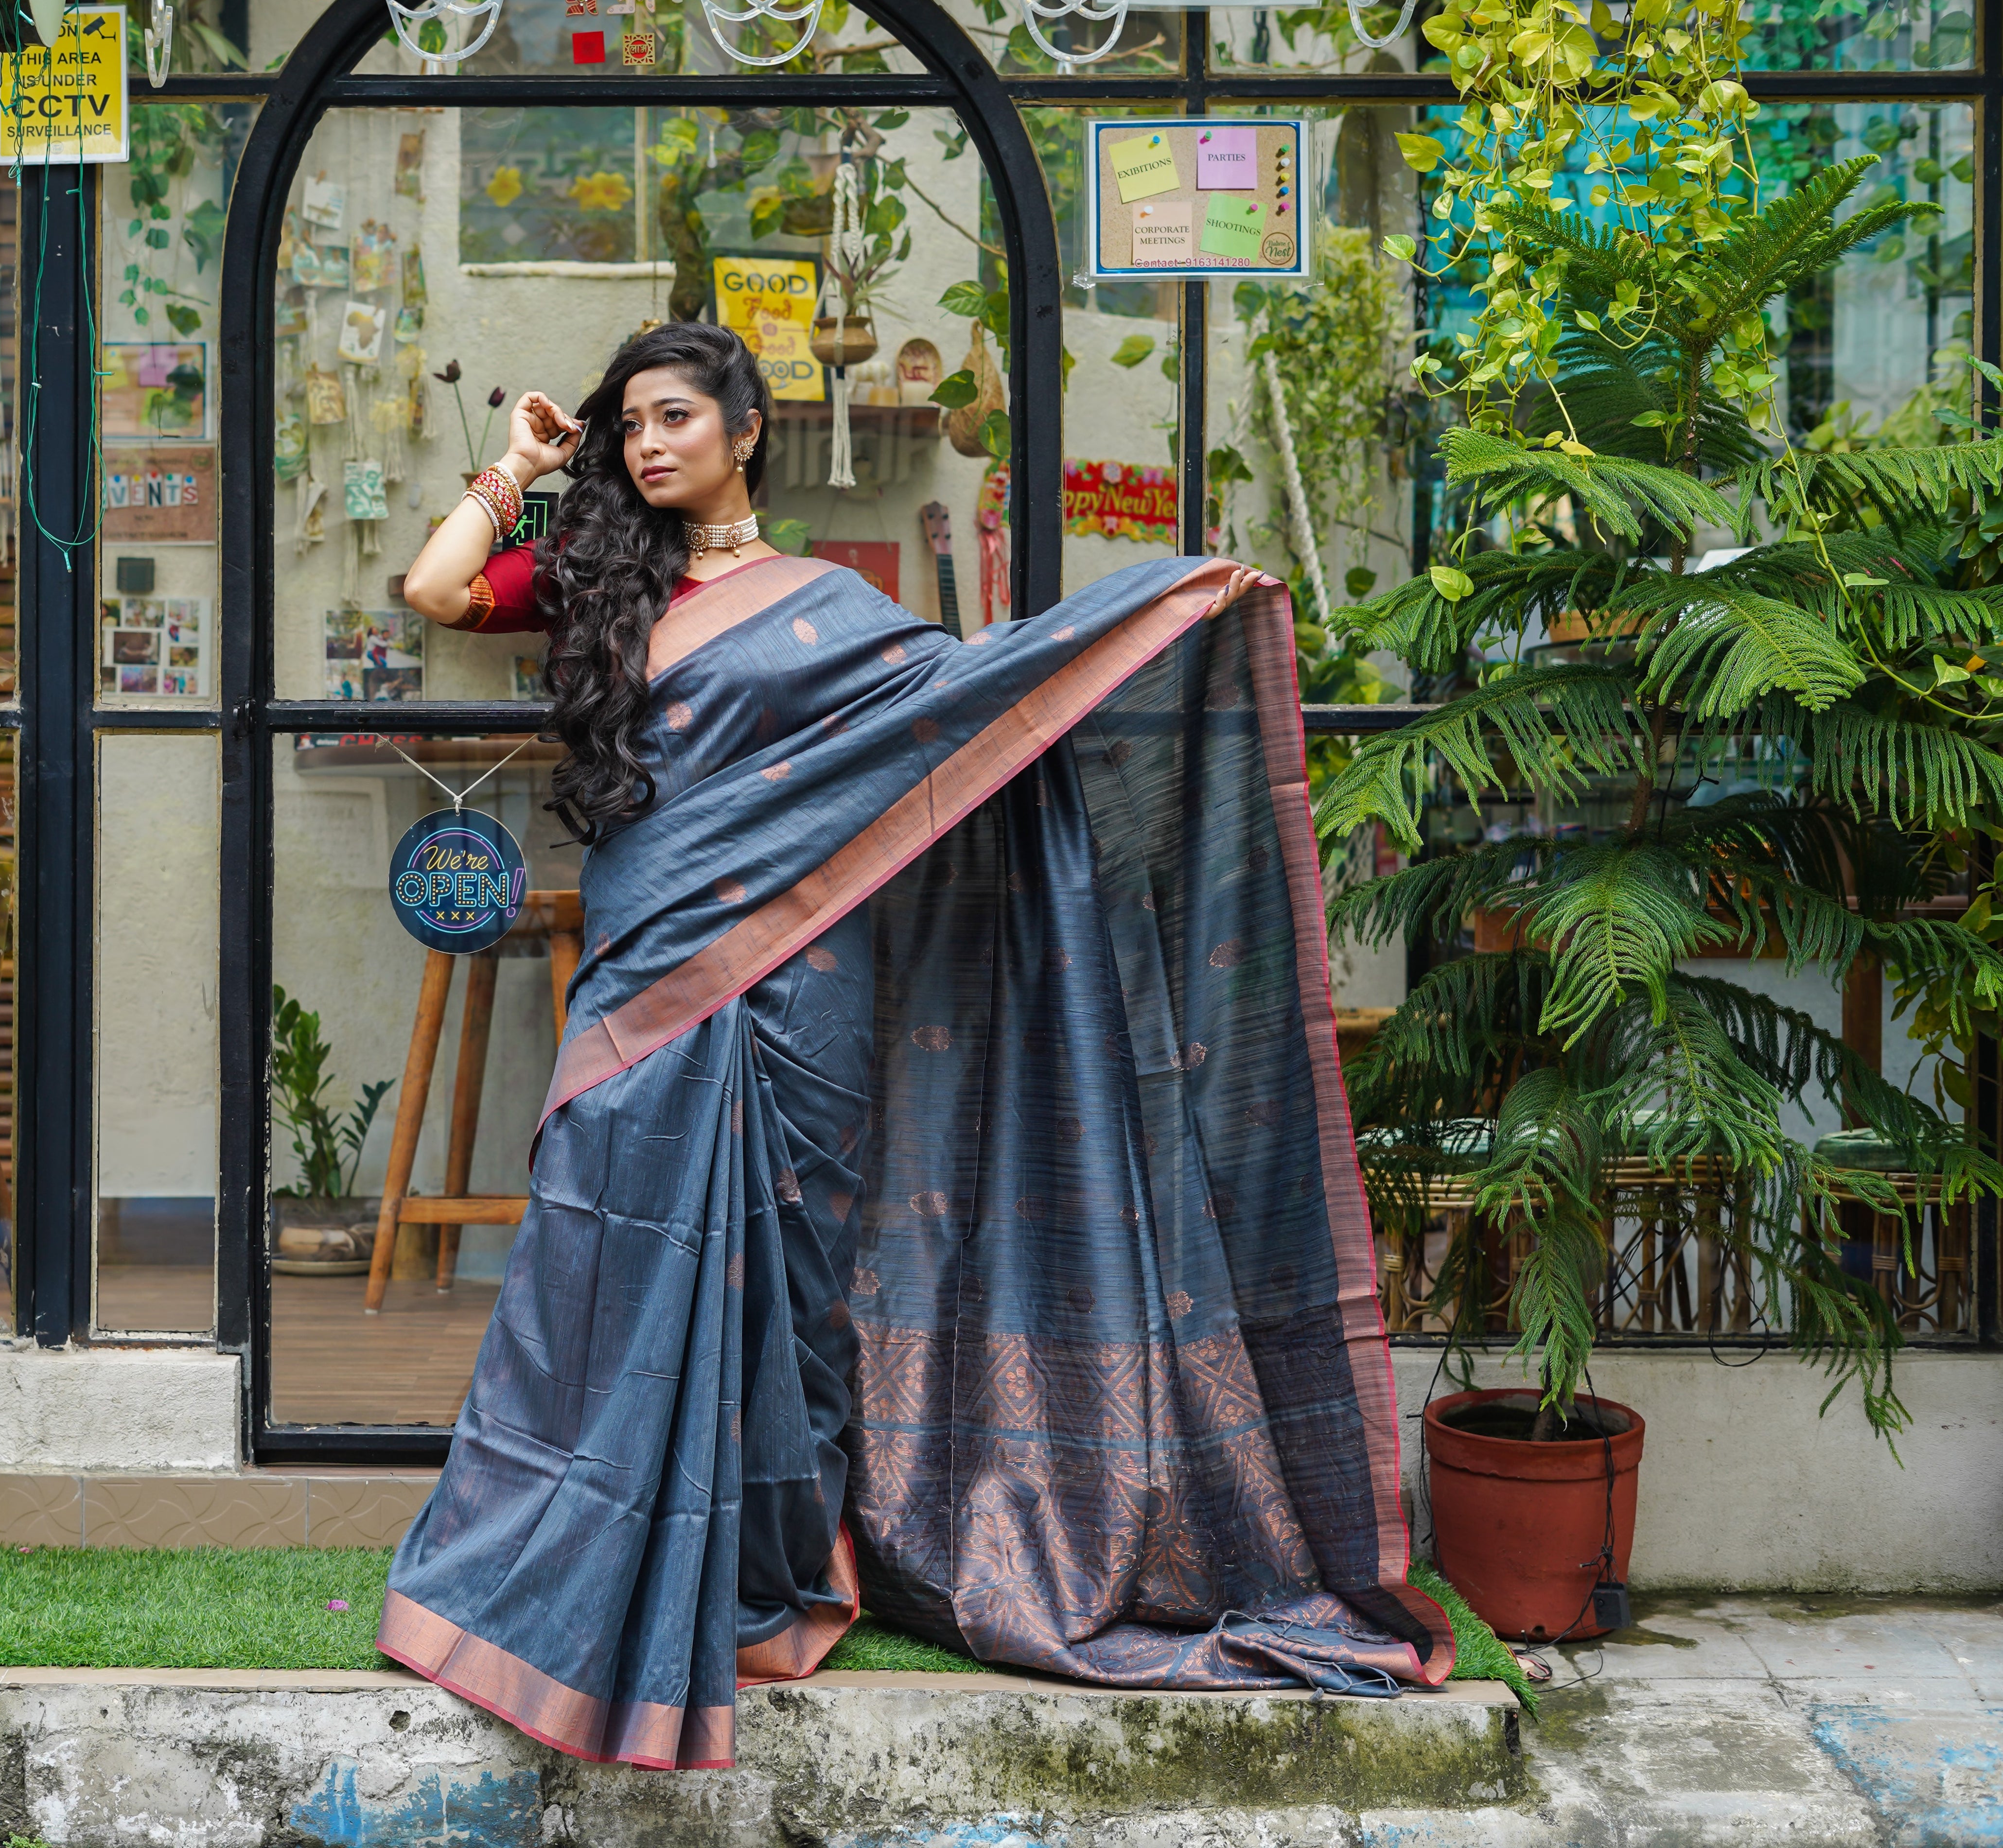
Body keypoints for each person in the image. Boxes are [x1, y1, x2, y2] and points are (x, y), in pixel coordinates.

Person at [380, 321, 1449, 1772]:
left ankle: (764, 1577)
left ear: (747, 429)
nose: (647, 444)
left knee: (799, 1269)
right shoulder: (602, 581)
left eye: (677, 416)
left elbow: (976, 716)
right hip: (650, 962)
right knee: (597, 1231)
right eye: (631, 423)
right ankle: (559, 1555)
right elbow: (436, 587)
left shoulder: (834, 607)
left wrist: (1155, 618)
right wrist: (520, 469)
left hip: (809, 974)